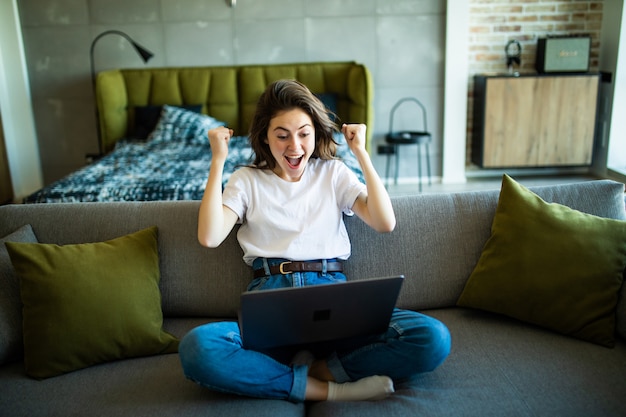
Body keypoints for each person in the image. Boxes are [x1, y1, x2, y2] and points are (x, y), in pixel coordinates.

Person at [178, 79, 451, 403]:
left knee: (432, 337)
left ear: (316, 134)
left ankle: (323, 370)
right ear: (265, 136)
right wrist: (218, 160)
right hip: (271, 301)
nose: (294, 146)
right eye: (282, 135)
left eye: (304, 134)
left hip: (333, 295)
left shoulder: (333, 173)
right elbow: (209, 236)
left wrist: (361, 153)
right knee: (198, 348)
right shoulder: (247, 179)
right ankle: (325, 390)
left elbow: (384, 221)